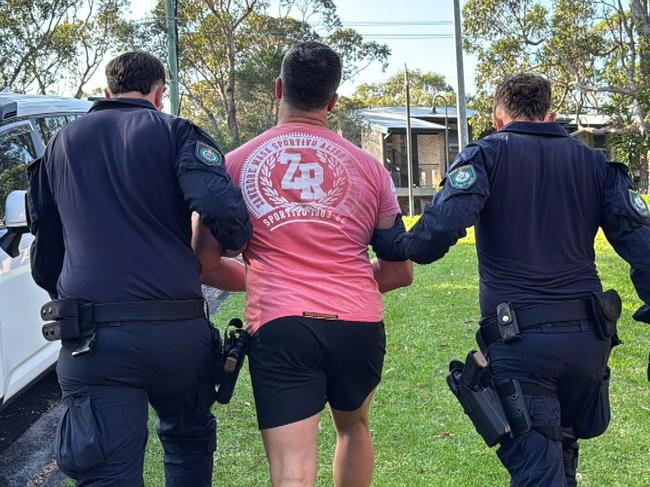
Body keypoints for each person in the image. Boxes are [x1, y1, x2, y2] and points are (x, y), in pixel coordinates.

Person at [371, 74, 650, 486]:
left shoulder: (486, 155)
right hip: (590, 340)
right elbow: (641, 244)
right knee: (561, 459)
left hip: (522, 343)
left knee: (539, 472)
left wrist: (391, 241)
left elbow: (432, 237)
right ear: (549, 115)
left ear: (498, 119)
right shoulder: (596, 164)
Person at [194, 41, 413, 487]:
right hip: (358, 324)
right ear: (333, 101)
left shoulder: (233, 166)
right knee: (353, 427)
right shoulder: (372, 170)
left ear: (278, 88)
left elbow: (204, 263)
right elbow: (398, 271)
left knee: (293, 471)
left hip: (282, 326)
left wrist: (262, 279)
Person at [27, 51, 252, 486]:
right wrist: (235, 242)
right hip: (178, 337)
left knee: (108, 473)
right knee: (187, 447)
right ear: (159, 94)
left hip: (94, 340)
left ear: (107, 93)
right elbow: (224, 210)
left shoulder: (59, 144)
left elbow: (47, 252)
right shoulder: (177, 133)